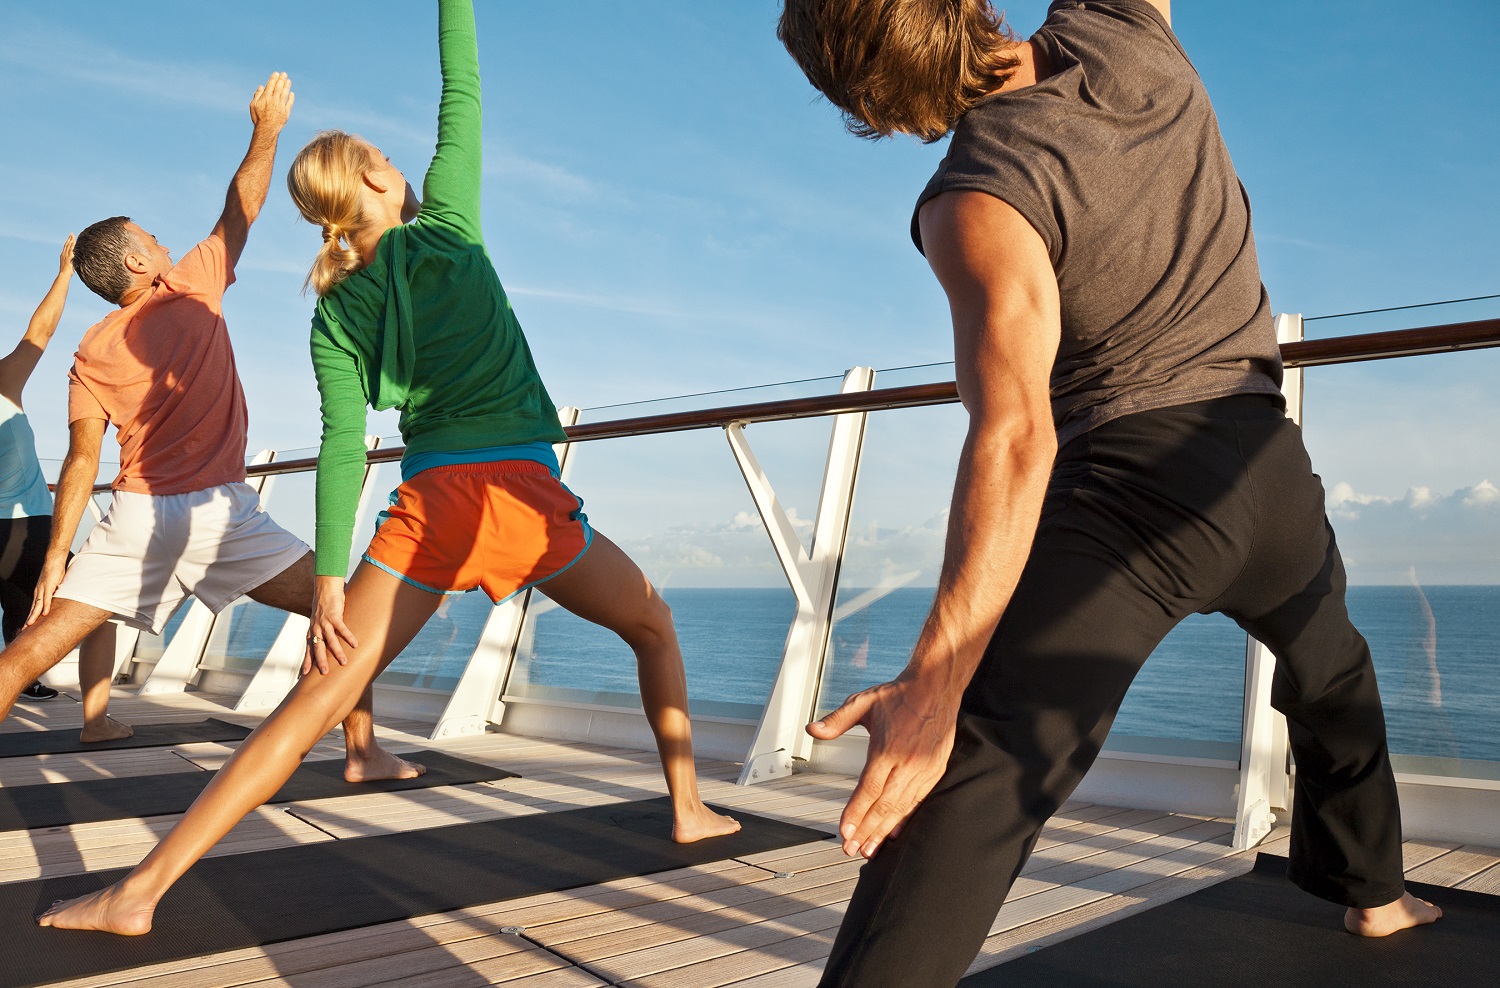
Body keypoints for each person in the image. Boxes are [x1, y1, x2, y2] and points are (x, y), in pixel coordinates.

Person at [37, 0, 738, 937]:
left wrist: (329, 583)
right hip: (523, 502)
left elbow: (338, 449)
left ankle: (139, 892)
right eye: (390, 157)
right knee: (653, 624)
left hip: (430, 509)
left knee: (316, 694)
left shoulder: (331, 313)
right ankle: (689, 807)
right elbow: (464, 85)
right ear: (376, 175)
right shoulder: (448, 223)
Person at [775, 2, 1441, 985]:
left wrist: (934, 681)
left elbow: (1013, 435)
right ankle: (1376, 898)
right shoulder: (1119, 22)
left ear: (873, 105)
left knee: (987, 767)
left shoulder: (977, 197)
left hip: (1132, 495)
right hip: (1267, 464)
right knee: (1334, 669)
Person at [0, 73, 417, 785]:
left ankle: (362, 750)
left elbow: (78, 464)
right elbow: (244, 205)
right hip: (220, 514)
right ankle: (361, 751)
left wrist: (54, 559)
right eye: (154, 240)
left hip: (134, 518)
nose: (166, 245)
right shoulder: (187, 283)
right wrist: (267, 131)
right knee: (336, 612)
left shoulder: (88, 351)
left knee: (27, 652)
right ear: (138, 262)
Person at [0, 236, 119, 729]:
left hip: (19, 529)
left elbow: (38, 332)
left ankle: (24, 679)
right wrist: (67, 272)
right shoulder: (3, 382)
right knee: (93, 604)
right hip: (27, 526)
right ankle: (95, 718)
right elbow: (40, 332)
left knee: (18, 603)